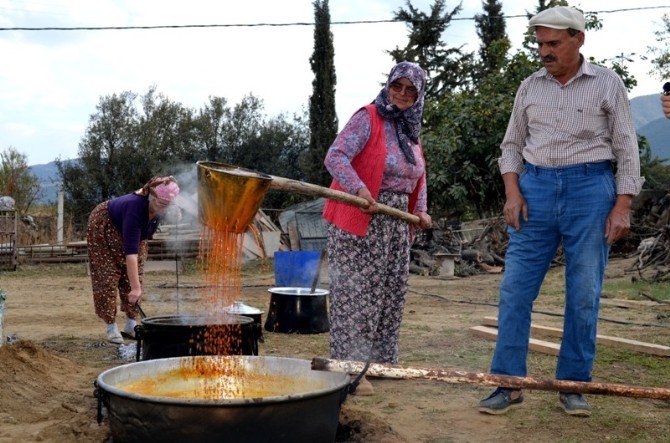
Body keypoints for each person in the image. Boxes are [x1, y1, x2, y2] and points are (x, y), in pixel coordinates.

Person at [478, 6, 644, 417]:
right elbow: (511, 146)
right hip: (534, 190)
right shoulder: (530, 86)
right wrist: (512, 192)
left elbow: (626, 147)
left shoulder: (607, 83)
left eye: (553, 43)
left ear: (578, 40)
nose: (544, 52)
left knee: (583, 292)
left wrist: (622, 205)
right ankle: (509, 383)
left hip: (591, 189)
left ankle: (572, 384)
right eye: (539, 44)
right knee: (515, 289)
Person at [323, 61, 432, 396]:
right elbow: (336, 156)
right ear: (388, 86)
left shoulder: (411, 132)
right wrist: (358, 189)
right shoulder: (368, 117)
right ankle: (349, 369)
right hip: (360, 219)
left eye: (409, 89)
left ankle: (381, 363)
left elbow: (419, 177)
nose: (401, 94)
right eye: (396, 86)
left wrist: (422, 211)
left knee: (389, 293)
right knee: (355, 295)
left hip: (396, 224)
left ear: (418, 95)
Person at [87, 176, 180, 344]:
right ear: (151, 197)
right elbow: (131, 254)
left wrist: (136, 286)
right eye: (162, 204)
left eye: (168, 206)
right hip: (106, 225)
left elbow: (137, 254)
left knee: (136, 274)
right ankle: (111, 326)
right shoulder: (135, 208)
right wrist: (135, 288)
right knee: (107, 275)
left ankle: (131, 324)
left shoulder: (158, 210)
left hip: (130, 228)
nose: (164, 210)